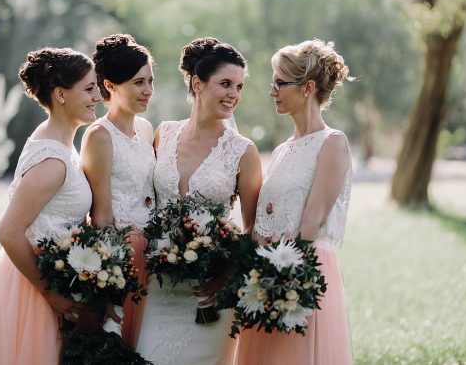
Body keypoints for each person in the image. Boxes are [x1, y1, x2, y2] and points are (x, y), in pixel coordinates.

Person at [136, 37, 263, 365]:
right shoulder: (163, 133)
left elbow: (254, 229)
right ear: (197, 83)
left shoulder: (243, 151)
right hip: (158, 286)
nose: (233, 95)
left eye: (239, 86)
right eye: (225, 84)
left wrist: (226, 276)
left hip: (210, 296)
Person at [236, 39, 354, 365]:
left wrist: (283, 282)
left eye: (279, 83)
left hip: (301, 271)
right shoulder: (280, 150)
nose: (272, 91)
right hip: (267, 275)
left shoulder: (332, 143)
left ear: (307, 88)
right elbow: (264, 218)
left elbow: (310, 223)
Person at [0, 47, 103, 364]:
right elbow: (8, 231)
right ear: (61, 95)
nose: (98, 97)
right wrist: (50, 291)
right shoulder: (52, 159)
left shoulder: (60, 141)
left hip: (52, 280)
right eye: (89, 89)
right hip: (38, 289)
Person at [80, 33, 156, 348]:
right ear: (110, 85)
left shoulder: (146, 128)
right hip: (120, 255)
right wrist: (109, 280)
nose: (148, 90)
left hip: (152, 254)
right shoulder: (99, 136)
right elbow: (100, 214)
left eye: (151, 81)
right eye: (138, 83)